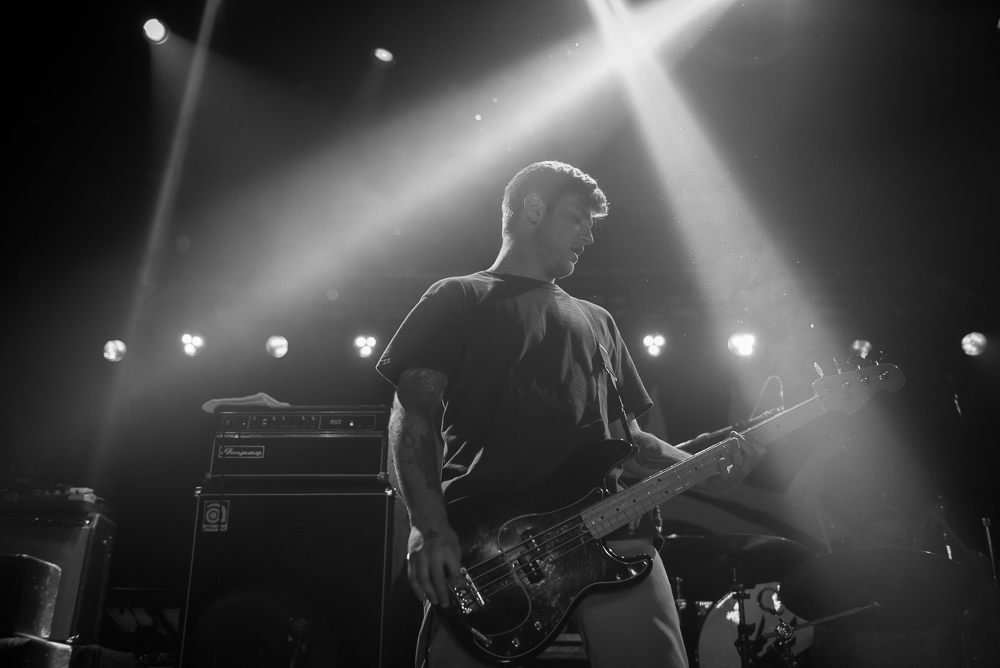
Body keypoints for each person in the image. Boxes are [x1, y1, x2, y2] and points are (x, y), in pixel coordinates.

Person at [377, 160, 766, 667]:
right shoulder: (458, 297)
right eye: (578, 218)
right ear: (534, 209)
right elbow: (413, 414)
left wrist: (707, 470)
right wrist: (429, 527)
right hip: (487, 548)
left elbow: (632, 441)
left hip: (612, 530)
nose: (587, 235)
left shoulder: (597, 321)